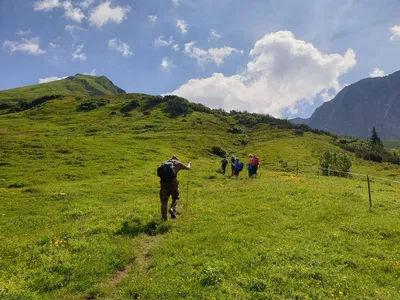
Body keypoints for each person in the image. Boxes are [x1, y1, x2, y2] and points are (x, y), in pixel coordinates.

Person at [157, 156, 191, 221]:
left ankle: (164, 217)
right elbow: (188, 168)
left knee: (164, 201)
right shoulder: (178, 163)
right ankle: (172, 209)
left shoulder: (164, 163)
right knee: (176, 197)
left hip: (163, 184)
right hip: (173, 184)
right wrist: (189, 163)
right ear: (177, 159)